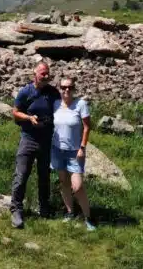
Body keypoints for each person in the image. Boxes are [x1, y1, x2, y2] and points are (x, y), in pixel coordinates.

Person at [9, 61, 60, 229]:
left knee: (44, 176)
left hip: (47, 140)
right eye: (42, 73)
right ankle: (16, 209)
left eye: (47, 73)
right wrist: (29, 118)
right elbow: (15, 113)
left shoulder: (53, 93)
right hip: (28, 138)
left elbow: (61, 110)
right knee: (22, 175)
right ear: (35, 74)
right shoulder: (25, 91)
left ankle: (44, 207)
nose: (46, 76)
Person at [51, 76, 96, 231]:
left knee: (77, 187)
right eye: (63, 87)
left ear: (74, 88)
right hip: (57, 149)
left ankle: (88, 217)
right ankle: (70, 212)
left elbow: (87, 127)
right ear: (59, 89)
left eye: (69, 87)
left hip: (74, 152)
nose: (67, 90)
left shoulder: (80, 104)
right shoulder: (55, 104)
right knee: (63, 182)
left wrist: (82, 147)